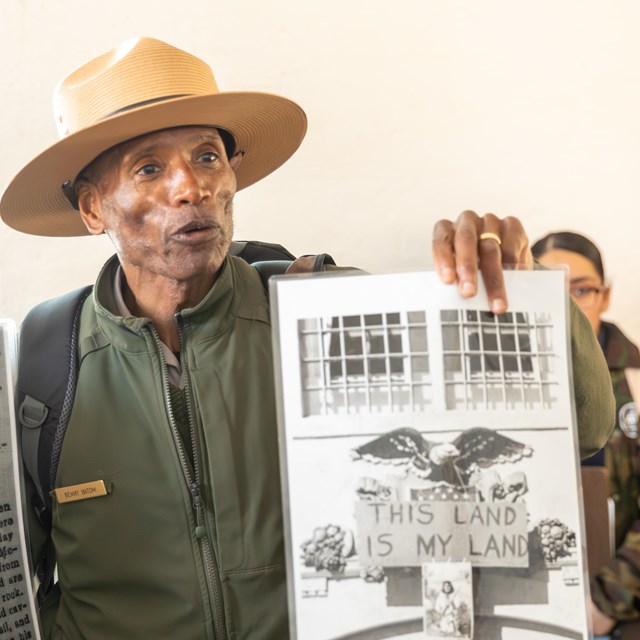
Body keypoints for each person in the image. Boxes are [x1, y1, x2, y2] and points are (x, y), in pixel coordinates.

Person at [0, 37, 614, 640]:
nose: (192, 188)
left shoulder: (332, 316)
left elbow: (581, 430)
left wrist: (523, 293)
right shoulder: (41, 355)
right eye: (150, 168)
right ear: (92, 209)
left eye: (208, 156)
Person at [532, 231, 640, 548]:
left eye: (581, 290)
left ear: (604, 296)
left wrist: (605, 596)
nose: (568, 308)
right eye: (549, 289)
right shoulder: (505, 381)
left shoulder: (635, 378)